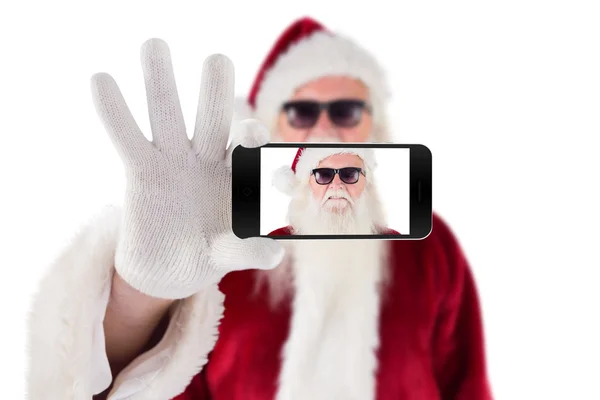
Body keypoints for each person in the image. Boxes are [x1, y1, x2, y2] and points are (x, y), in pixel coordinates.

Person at [26, 17, 493, 400]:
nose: (324, 129)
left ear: (376, 130)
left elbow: (467, 384)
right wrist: (140, 297)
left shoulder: (433, 249)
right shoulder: (222, 247)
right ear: (270, 127)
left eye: (347, 112)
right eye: (302, 113)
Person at [269, 147, 401, 235]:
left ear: (367, 183)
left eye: (350, 174)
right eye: (324, 174)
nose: (337, 185)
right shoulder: (274, 245)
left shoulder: (399, 244)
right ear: (307, 186)